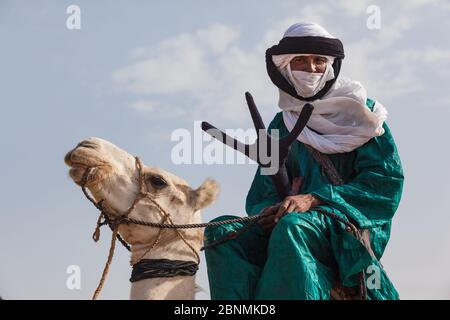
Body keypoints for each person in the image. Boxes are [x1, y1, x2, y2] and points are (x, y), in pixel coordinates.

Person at [204, 22, 404, 300]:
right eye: (301, 61)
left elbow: (385, 186)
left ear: (330, 66)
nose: (311, 69)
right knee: (223, 230)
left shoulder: (364, 115)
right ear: (285, 67)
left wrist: (314, 199)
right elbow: (262, 193)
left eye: (319, 61)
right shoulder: (280, 123)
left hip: (348, 225)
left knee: (292, 227)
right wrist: (269, 210)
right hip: (291, 222)